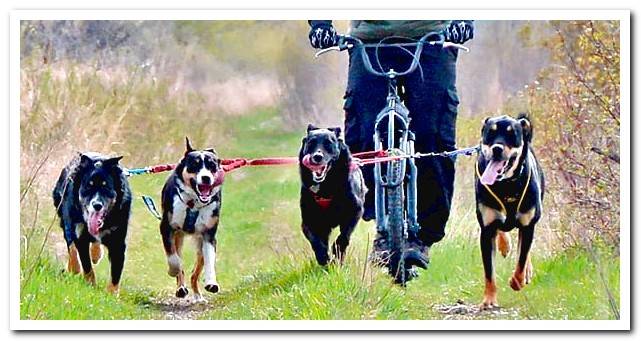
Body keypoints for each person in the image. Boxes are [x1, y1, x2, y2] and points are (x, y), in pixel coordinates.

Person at [308, 20, 474, 277]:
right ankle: (384, 226)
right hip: (369, 40)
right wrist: (319, 24)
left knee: (433, 138)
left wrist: (464, 19)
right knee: (360, 140)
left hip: (432, 37)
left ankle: (423, 237)